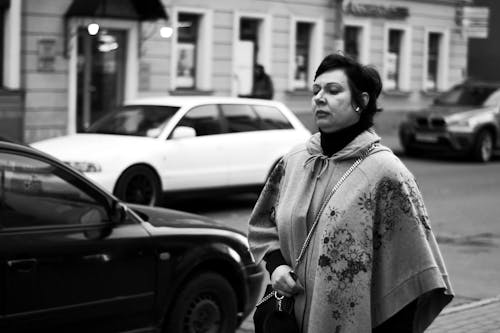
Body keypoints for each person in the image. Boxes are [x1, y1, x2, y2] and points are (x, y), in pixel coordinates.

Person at [248, 53, 453, 333]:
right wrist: (276, 267)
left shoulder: (385, 172)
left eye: (333, 91)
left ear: (362, 102)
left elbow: (411, 269)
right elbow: (263, 224)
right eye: (316, 90)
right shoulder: (295, 159)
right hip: (287, 319)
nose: (320, 97)